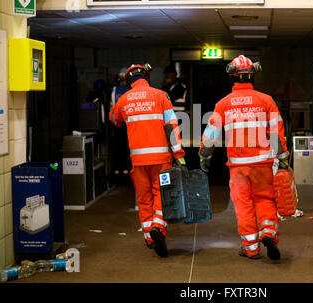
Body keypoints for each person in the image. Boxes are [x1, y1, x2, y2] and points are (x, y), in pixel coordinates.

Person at [198, 55, 289, 261]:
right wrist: (282, 157)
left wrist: (205, 156)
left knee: (244, 205)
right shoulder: (266, 100)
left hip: (238, 167)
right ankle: (268, 233)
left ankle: (251, 248)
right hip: (263, 163)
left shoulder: (223, 104)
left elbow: (211, 134)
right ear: (253, 76)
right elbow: (277, 132)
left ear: (232, 77)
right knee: (265, 200)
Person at [110, 63, 186, 257]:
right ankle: (158, 227)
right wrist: (178, 154)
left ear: (129, 81)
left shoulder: (124, 99)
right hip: (161, 160)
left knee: (144, 198)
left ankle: (149, 237)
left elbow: (114, 119)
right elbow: (171, 126)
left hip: (138, 161)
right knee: (162, 195)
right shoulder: (161, 95)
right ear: (147, 77)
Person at [110, 69, 131, 179]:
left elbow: (111, 108)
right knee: (128, 149)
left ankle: (118, 170)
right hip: (130, 125)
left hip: (117, 124)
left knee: (118, 148)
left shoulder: (114, 90)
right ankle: (127, 169)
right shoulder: (130, 89)